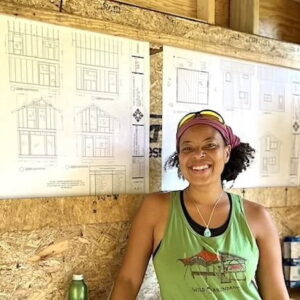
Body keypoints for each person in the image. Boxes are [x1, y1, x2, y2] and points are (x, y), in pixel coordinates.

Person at [110, 109, 289, 299]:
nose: (198, 154)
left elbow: (276, 294)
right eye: (187, 148)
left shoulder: (257, 216)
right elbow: (128, 280)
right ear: (179, 157)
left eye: (210, 145)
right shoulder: (156, 209)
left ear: (226, 153)